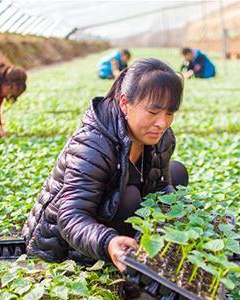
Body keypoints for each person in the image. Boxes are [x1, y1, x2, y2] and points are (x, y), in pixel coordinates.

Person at [23, 58, 188, 273]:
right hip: (66, 242)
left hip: (106, 214)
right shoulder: (93, 144)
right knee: (130, 197)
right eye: (153, 112)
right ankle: (116, 255)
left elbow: (159, 186)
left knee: (177, 172)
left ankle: (136, 242)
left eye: (169, 113)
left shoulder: (162, 138)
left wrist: (178, 217)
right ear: (124, 103)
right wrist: (108, 243)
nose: (162, 123)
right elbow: (71, 217)